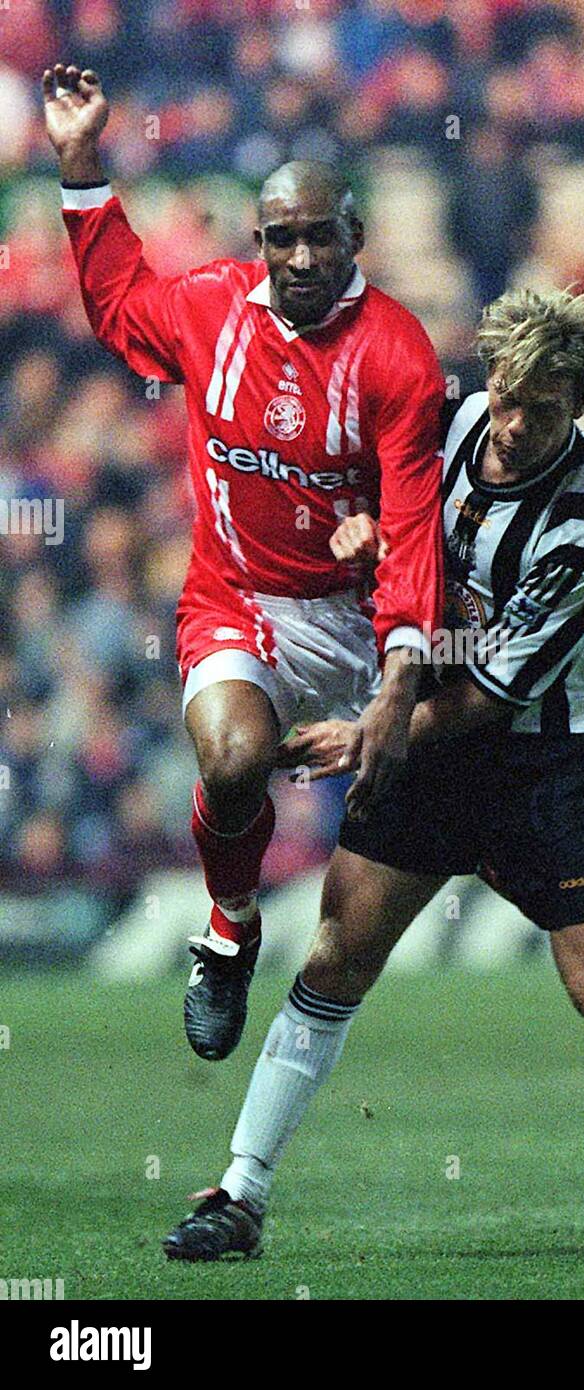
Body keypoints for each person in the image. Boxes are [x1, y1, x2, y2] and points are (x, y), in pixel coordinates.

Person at [163, 286, 584, 1261]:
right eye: (503, 395)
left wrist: (368, 730)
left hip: (546, 762)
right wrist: (357, 536)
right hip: (425, 749)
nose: (512, 421)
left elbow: (493, 692)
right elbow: (370, 514)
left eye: (540, 407)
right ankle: (240, 1194)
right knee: (334, 955)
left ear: (577, 404)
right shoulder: (445, 432)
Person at [43, 64, 445, 1061]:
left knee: (457, 763)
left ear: (354, 235)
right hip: (237, 600)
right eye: (281, 238)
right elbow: (118, 303)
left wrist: (397, 683)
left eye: (319, 235)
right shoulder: (212, 309)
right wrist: (83, 162)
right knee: (231, 760)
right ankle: (228, 929)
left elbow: (416, 526)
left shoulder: (398, 353)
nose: (301, 256)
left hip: (358, 612)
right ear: (256, 242)